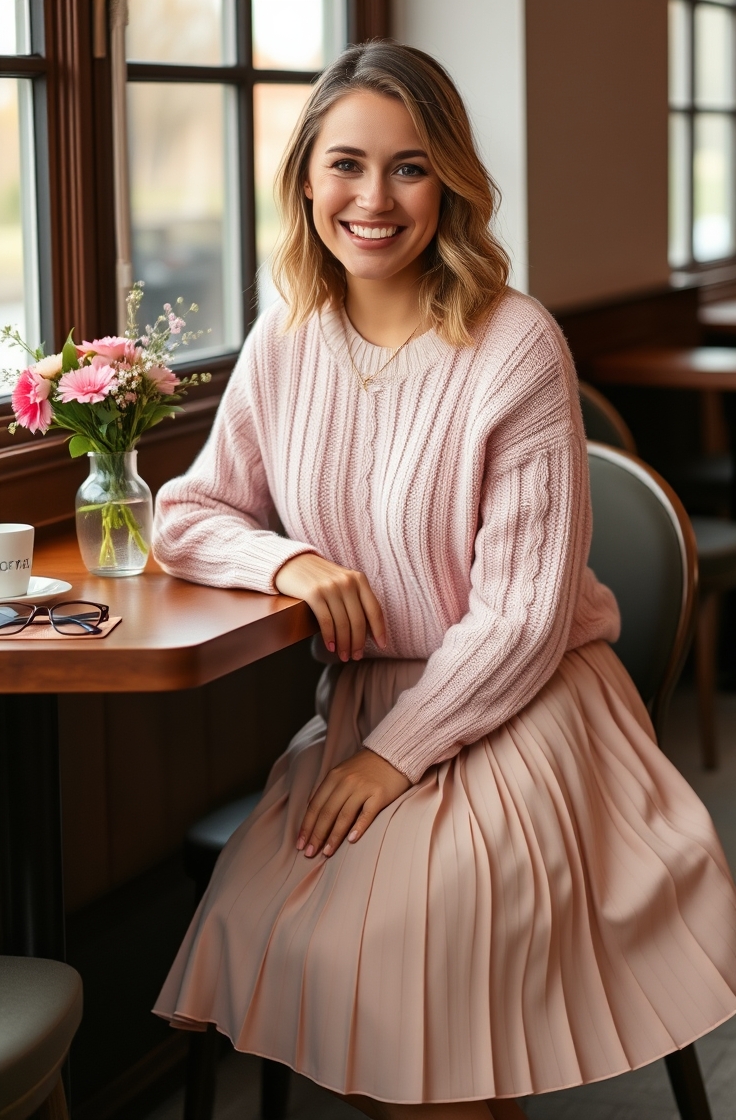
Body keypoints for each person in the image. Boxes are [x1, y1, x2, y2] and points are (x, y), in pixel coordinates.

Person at [151, 41, 736, 1120]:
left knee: (425, 947)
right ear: (306, 181)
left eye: (409, 166)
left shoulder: (517, 345)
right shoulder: (287, 333)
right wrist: (287, 557)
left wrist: (388, 758)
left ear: (451, 183)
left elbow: (520, 618)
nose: (372, 198)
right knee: (328, 944)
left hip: (528, 706)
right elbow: (185, 515)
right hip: (367, 706)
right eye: (346, 164)